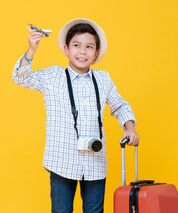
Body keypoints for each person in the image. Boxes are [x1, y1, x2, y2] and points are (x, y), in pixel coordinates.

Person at [12, 18, 140, 213]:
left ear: (96, 53)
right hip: (61, 160)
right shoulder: (53, 76)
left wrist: (130, 129)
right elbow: (21, 78)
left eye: (89, 47)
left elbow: (121, 106)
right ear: (66, 49)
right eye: (76, 45)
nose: (82, 51)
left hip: (95, 162)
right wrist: (31, 50)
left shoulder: (103, 79)